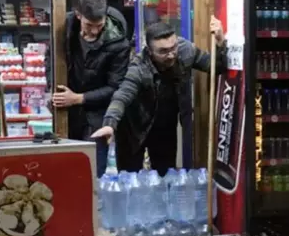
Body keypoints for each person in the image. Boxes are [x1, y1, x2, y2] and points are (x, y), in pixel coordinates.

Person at [89, 18, 227, 176]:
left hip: (165, 125)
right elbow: (122, 96)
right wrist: (109, 124)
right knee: (129, 178)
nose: (170, 55)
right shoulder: (139, 67)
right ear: (149, 51)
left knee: (165, 177)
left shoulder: (185, 50)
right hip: (134, 128)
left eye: (173, 47)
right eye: (163, 51)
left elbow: (216, 66)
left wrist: (221, 41)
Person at [50, 0, 130, 177]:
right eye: (89, 25)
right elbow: (51, 58)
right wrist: (54, 86)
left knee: (92, 173)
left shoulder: (118, 43)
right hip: (66, 113)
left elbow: (115, 87)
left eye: (99, 26)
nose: (94, 31)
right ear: (78, 15)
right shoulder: (65, 26)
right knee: (65, 171)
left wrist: (78, 98)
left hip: (98, 114)